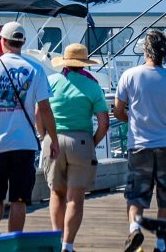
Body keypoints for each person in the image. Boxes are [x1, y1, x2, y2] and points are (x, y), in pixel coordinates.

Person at [0, 21, 59, 235]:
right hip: (25, 143)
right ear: (23, 42)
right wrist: (53, 140)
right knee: (19, 198)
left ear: (2, 41)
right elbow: (45, 109)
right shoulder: (36, 70)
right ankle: (13, 239)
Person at [113, 29, 166, 252]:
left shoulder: (130, 76)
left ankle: (135, 229)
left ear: (145, 51)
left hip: (139, 145)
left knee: (136, 193)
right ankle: (161, 242)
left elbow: (118, 110)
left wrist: (132, 119)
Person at [40, 43, 110, 252]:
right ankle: (67, 246)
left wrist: (44, 137)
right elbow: (104, 123)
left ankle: (56, 237)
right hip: (81, 141)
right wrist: (92, 142)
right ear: (84, 64)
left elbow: (39, 112)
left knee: (56, 193)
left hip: (53, 140)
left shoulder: (50, 82)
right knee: (75, 198)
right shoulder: (92, 86)